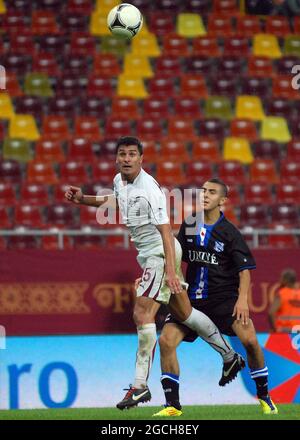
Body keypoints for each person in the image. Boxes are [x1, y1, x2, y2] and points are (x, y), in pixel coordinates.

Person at [64, 137, 244, 410]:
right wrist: (83, 200)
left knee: (142, 313)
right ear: (116, 158)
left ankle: (139, 386)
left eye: (132, 154)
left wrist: (170, 271)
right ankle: (230, 356)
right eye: (122, 154)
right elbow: (117, 203)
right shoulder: (119, 181)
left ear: (140, 159)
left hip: (161, 253)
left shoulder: (150, 188)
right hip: (150, 256)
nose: (126, 158)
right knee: (185, 314)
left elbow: (165, 231)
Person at [153, 178, 278, 417]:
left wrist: (242, 300)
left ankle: (265, 397)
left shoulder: (230, 232)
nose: (205, 194)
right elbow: (176, 255)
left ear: (222, 200)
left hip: (223, 299)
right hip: (192, 300)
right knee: (166, 341)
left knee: (250, 341)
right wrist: (163, 276)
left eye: (211, 192)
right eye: (203, 191)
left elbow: (245, 271)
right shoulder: (189, 224)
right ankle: (172, 406)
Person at [269, 268, 300, 333]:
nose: (280, 280)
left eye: (281, 278)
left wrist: (275, 329)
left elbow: (271, 313)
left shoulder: (282, 294)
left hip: (285, 331)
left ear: (285, 280)